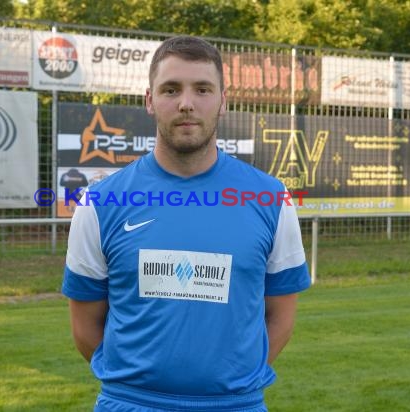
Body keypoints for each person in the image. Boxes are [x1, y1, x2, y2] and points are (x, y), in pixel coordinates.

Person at [62, 35, 311, 412]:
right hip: (130, 404)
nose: (186, 103)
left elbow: (281, 316)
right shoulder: (101, 202)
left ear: (223, 101)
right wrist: (140, 387)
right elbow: (85, 328)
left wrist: (230, 384)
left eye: (203, 89)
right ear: (150, 100)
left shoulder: (270, 198)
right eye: (171, 89)